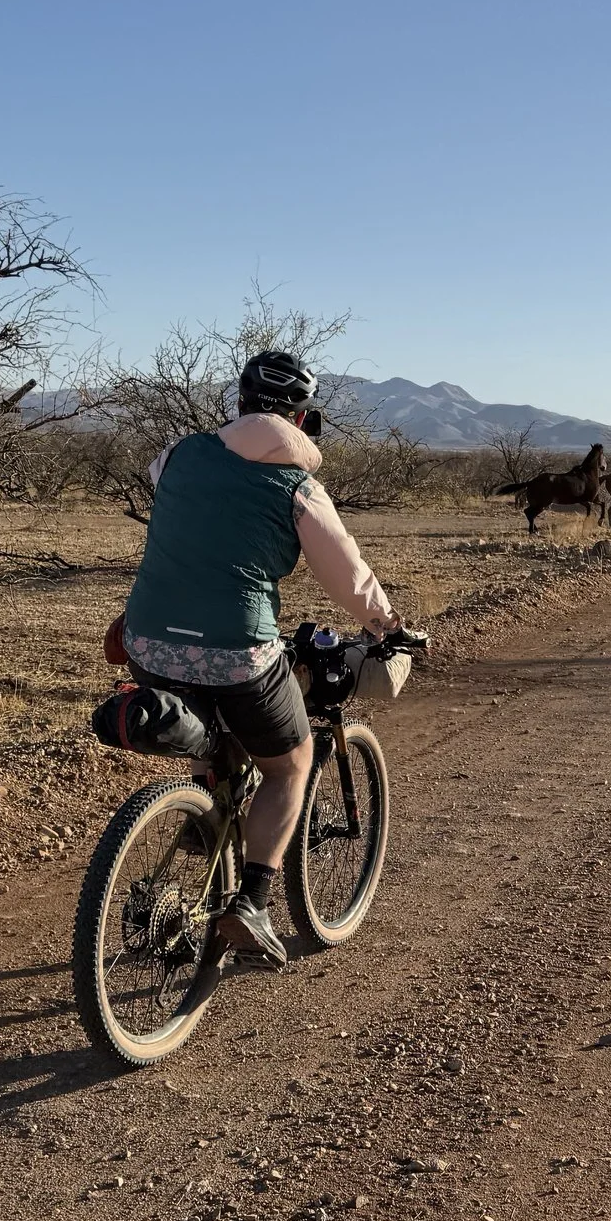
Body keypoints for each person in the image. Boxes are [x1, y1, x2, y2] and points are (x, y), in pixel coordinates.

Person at [118, 350, 401, 967]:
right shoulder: (299, 487)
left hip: (146, 639)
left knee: (218, 724)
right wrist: (385, 624)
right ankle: (252, 900)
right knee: (290, 763)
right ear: (303, 420)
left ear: (238, 404)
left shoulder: (175, 457)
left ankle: (208, 808)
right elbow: (347, 576)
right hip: (235, 647)